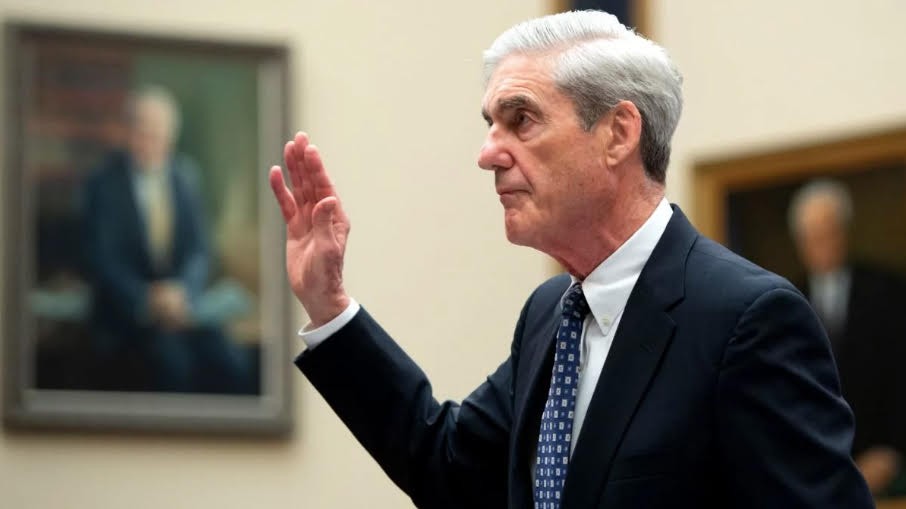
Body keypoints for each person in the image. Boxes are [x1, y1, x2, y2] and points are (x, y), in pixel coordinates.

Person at [269, 11, 873, 508]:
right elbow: (450, 467)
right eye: (490, 125)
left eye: (521, 120)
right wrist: (329, 304)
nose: (487, 154)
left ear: (618, 133)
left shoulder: (747, 319)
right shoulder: (550, 313)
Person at [82, 86, 249, 393]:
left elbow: (200, 249)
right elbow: (101, 258)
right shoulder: (103, 183)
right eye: (144, 132)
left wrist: (183, 291)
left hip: (183, 310)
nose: (152, 142)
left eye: (160, 134)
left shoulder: (185, 177)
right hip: (128, 317)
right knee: (173, 367)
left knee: (233, 363)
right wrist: (147, 299)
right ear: (129, 132)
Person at [789, 179, 906, 495]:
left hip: (883, 457)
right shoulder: (782, 300)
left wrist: (892, 449)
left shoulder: (887, 291)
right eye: (812, 236)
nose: (821, 243)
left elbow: (900, 375)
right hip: (813, 465)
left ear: (845, 231)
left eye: (828, 232)